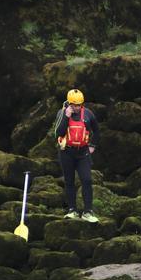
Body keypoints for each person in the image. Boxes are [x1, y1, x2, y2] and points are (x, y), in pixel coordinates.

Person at [54, 88, 100, 222]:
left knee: (87, 180)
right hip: (66, 152)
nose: (77, 107)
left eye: (79, 105)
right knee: (69, 181)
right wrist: (66, 116)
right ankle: (72, 210)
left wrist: (92, 145)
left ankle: (88, 212)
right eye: (74, 105)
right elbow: (58, 133)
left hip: (83, 153)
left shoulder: (88, 114)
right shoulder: (62, 113)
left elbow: (96, 131)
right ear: (69, 103)